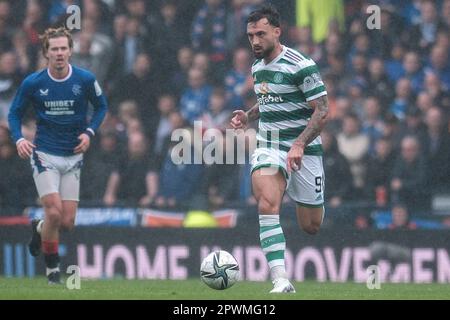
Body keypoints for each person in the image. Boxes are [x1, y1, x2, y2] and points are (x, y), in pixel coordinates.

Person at [230, 5, 328, 293]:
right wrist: (248, 116)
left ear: (277, 31)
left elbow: (322, 110)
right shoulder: (257, 67)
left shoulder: (301, 65)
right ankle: (281, 279)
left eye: (261, 34)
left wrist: (299, 143)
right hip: (269, 144)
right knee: (266, 203)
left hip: (305, 149)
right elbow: (269, 100)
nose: (255, 41)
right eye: (250, 36)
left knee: (311, 225)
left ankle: (306, 197)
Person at [7, 27, 107, 284]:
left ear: (70, 51)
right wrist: (19, 138)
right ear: (46, 53)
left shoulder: (84, 80)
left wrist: (89, 132)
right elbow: (14, 113)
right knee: (53, 212)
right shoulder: (34, 82)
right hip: (44, 154)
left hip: (73, 156)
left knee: (67, 222)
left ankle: (39, 228)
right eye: (55, 49)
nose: (60, 53)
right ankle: (53, 271)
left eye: (64, 48)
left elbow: (101, 106)